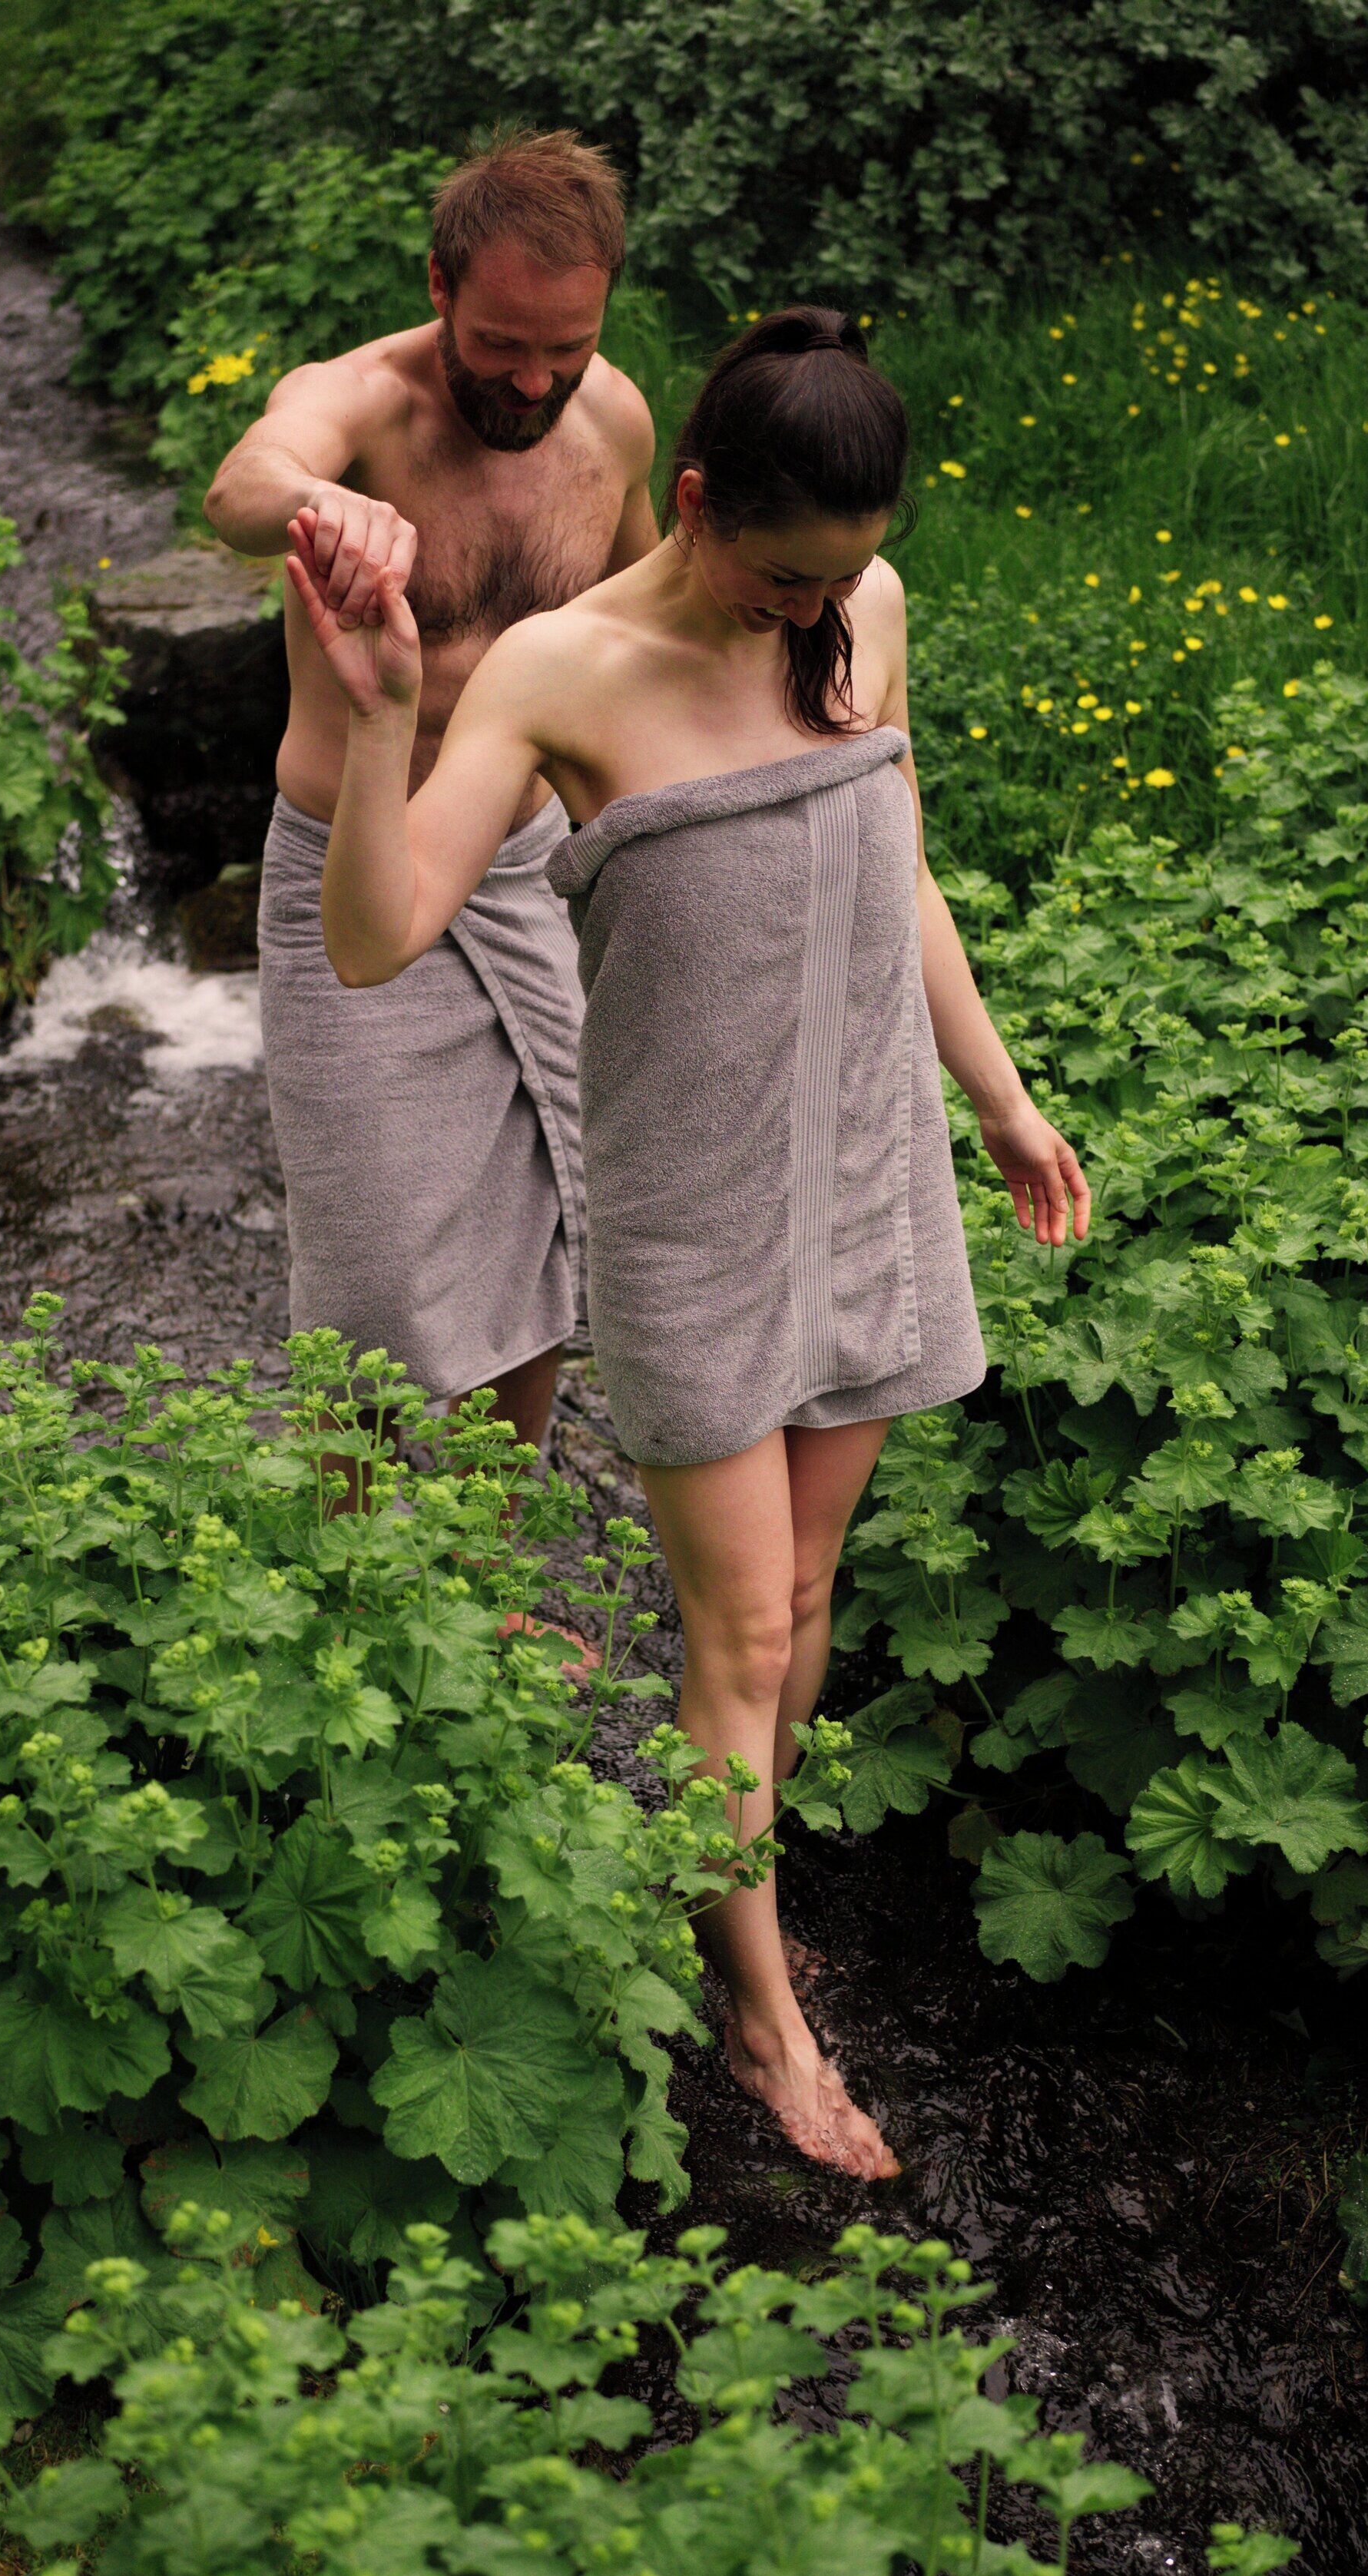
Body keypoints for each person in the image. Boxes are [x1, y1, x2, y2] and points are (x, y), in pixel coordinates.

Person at [287, 310, 1091, 2181]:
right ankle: (758, 2012)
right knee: (733, 1624)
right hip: (692, 1215)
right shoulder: (563, 673)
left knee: (797, 1614)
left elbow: (901, 872)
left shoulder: (851, 621)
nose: (808, 612)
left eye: (849, 573)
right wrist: (389, 717)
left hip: (865, 1174)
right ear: (702, 500)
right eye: (782, 572)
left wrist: (996, 1097)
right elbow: (372, 939)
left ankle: (722, 1889)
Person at [204, 131, 658, 1455]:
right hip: (355, 874)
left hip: (522, 867)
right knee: (371, 1269)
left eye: (563, 347)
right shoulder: (358, 402)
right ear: (441, 283)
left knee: (537, 1217)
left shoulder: (611, 421)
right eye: (503, 342)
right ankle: (354, 1588)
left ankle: (487, 1573)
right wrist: (318, 505)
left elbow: (651, 621)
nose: (531, 380)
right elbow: (243, 486)